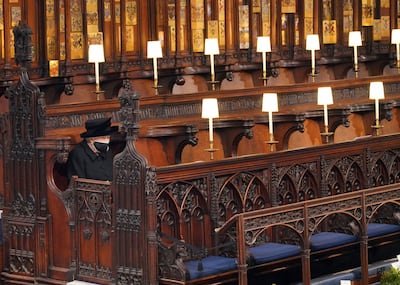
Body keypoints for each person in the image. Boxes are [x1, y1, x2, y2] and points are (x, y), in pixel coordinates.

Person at [67, 117, 118, 182]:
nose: (106, 141)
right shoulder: (78, 154)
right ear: (91, 139)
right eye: (103, 137)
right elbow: (79, 184)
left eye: (108, 137)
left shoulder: (107, 150)